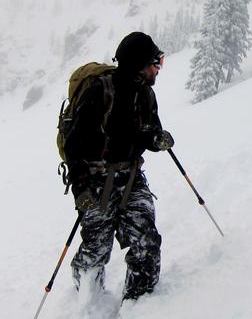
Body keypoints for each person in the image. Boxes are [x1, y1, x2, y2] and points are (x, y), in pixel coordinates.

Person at [65, 31, 174, 301]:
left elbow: (147, 132)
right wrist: (81, 190)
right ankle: (88, 301)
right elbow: (73, 145)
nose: (158, 69)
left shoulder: (147, 95)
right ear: (139, 65)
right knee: (96, 249)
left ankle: (139, 306)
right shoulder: (101, 91)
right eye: (155, 63)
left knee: (145, 242)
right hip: (97, 182)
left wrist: (156, 139)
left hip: (132, 177)